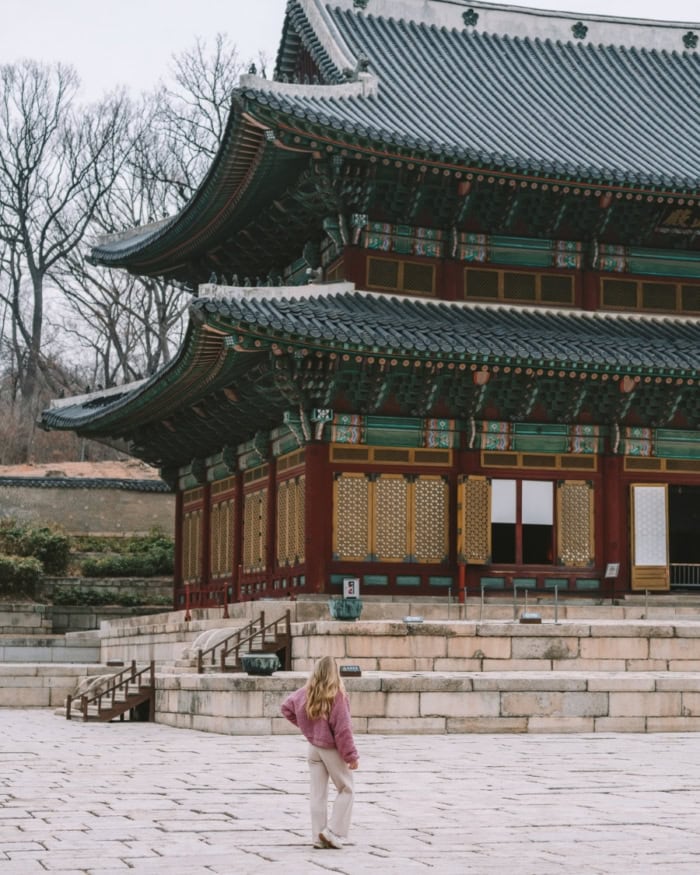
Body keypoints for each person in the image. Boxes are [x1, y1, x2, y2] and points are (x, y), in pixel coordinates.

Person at [281, 656, 359, 849]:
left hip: (313, 748)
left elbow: (286, 708)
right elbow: (343, 730)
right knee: (346, 788)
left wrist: (307, 729)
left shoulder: (305, 693)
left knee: (318, 793)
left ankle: (318, 837)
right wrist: (351, 756)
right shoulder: (337, 695)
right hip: (330, 748)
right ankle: (332, 831)